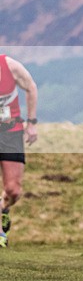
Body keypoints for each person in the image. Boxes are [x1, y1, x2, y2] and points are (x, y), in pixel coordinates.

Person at [0, 54, 38, 248]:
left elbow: (31, 87)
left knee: (13, 190)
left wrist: (31, 123)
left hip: (11, 132)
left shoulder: (10, 66)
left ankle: (4, 208)